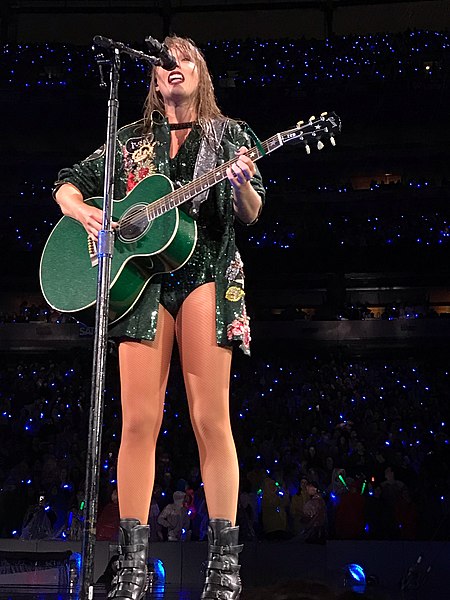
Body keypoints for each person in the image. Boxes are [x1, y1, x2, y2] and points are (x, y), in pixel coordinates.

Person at [53, 35, 264, 600]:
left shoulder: (229, 134)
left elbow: (251, 212)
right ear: (152, 78)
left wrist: (241, 185)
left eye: (185, 57)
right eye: (164, 61)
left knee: (207, 418)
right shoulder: (130, 141)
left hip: (205, 272)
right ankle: (131, 566)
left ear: (201, 73)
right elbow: (65, 183)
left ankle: (224, 568)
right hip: (141, 284)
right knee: (139, 423)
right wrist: (87, 212)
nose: (173, 66)